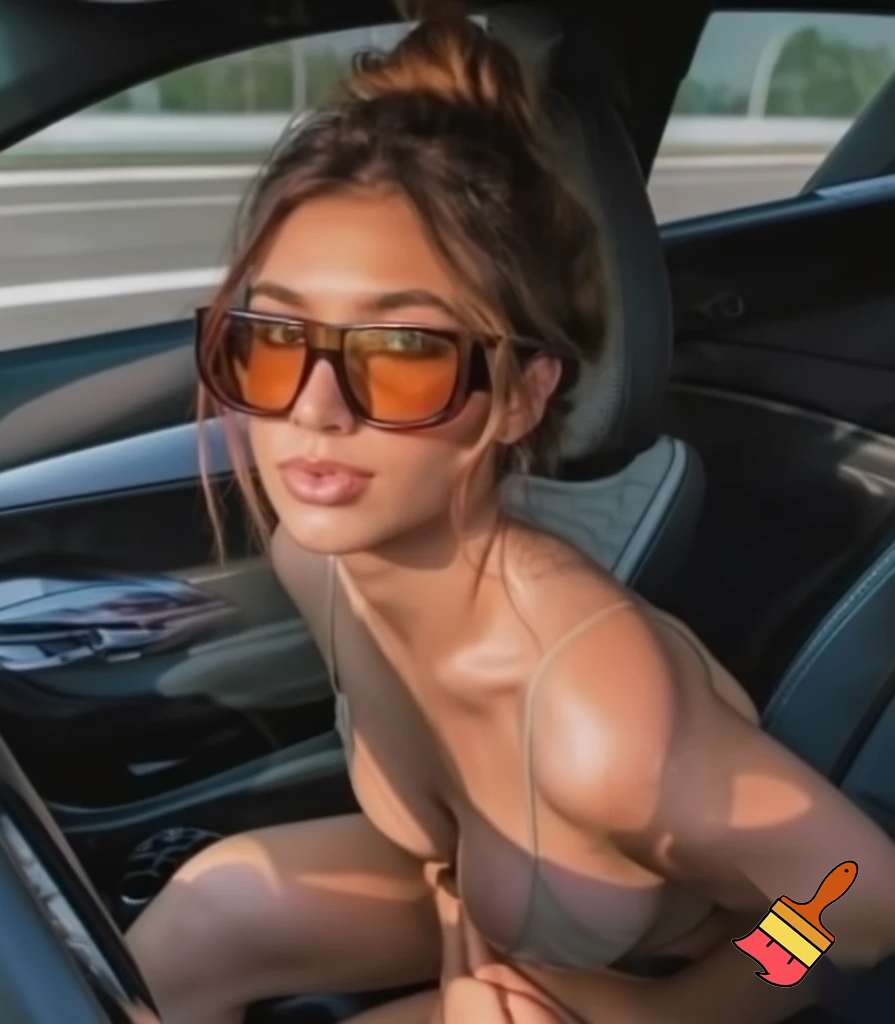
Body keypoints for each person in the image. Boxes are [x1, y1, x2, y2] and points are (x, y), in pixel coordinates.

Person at [126, 12, 895, 1024]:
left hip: (650, 972)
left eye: (402, 353)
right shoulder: (320, 562)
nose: (313, 408)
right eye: (270, 337)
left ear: (520, 396)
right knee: (192, 928)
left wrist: (667, 1015)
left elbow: (852, 901)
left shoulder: (601, 726)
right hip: (480, 910)